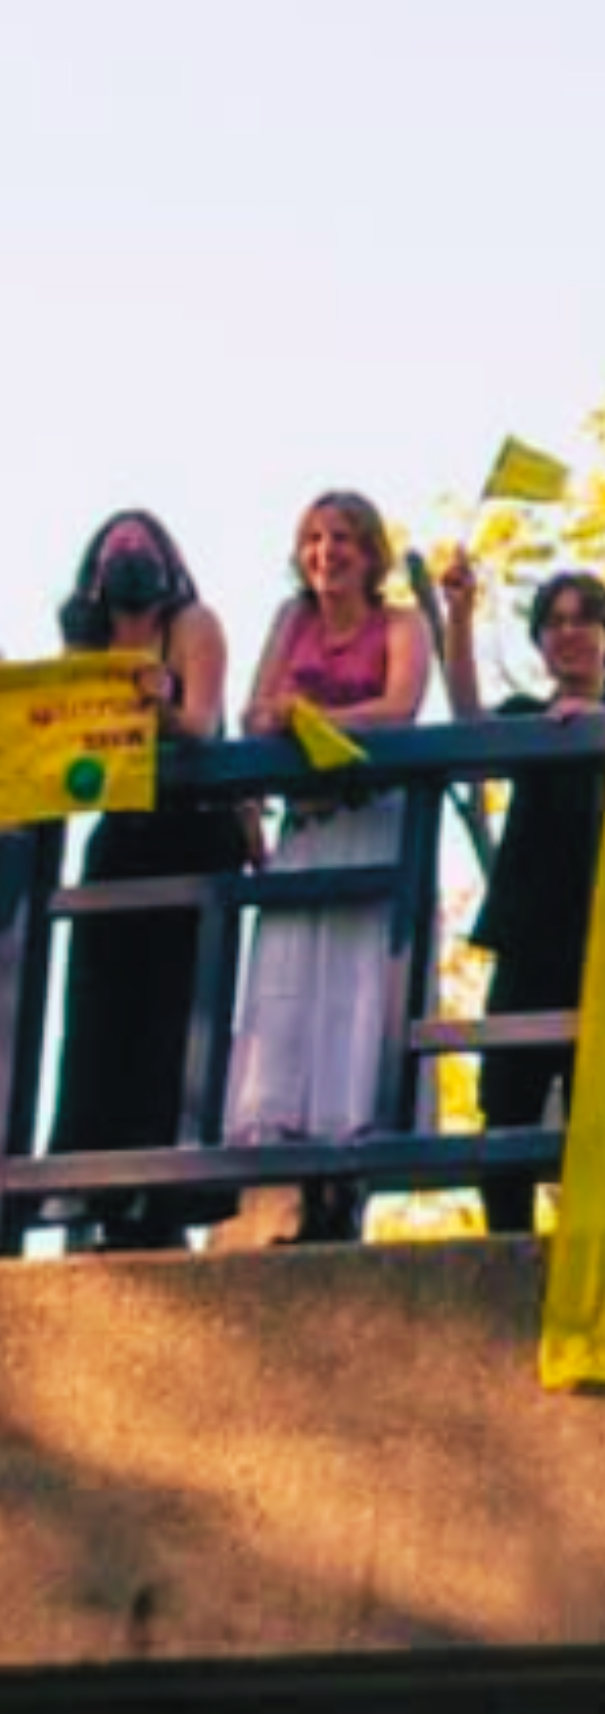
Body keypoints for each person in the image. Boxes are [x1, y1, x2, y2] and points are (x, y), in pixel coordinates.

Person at [224, 490, 431, 1241]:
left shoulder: (401, 624)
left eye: (342, 538)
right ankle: (291, 1185)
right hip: (305, 826)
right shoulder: (291, 622)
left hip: (372, 824)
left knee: (356, 988)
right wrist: (272, 723)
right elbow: (254, 713)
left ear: (371, 552)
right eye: (313, 538)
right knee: (288, 991)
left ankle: (349, 1181)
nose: (326, 552)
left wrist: (310, 720)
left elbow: (400, 706)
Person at [45, 511, 246, 1251]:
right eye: (114, 547)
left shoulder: (192, 625)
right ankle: (94, 1192)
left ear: (168, 559)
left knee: (176, 1015)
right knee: (98, 1014)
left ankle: (163, 1202)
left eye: (143, 545)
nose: (129, 556)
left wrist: (155, 704)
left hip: (188, 829)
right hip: (119, 838)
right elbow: (59, 739)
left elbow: (201, 723)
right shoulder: (87, 639)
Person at [441, 557, 605, 1233]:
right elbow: (467, 721)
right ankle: (504, 1256)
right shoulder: (527, 716)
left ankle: (596, 1253)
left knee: (601, 1107)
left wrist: (603, 726)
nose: (569, 634)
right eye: (553, 623)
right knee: (508, 1102)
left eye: (584, 619)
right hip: (528, 935)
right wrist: (459, 616)